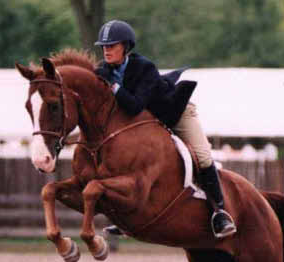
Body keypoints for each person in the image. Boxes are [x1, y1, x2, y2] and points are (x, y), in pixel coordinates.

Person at [94, 20, 236, 239]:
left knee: (203, 156)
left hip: (176, 114)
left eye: (111, 45)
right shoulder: (104, 70)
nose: (106, 50)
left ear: (126, 47)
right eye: (104, 46)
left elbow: (134, 105)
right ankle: (124, 218)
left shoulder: (144, 68)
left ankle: (220, 211)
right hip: (148, 123)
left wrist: (113, 86)